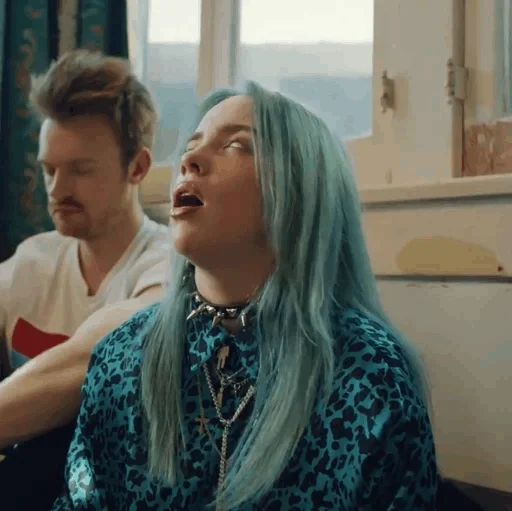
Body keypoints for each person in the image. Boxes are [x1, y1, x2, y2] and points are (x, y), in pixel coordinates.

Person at [52, 82, 440, 511]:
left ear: (300, 190)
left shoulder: (370, 375)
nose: (189, 161)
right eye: (191, 146)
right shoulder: (120, 360)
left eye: (235, 145)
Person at [0, 50, 169, 509]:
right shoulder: (31, 262)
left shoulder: (169, 267)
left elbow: (91, 363)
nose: (57, 191)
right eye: (49, 170)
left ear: (137, 167)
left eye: (80, 170)